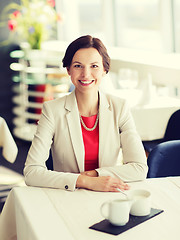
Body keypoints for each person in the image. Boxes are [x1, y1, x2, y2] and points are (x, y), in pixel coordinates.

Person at [24, 35, 148, 192]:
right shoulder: (52, 110)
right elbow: (31, 172)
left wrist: (96, 175)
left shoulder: (120, 107)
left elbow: (139, 168)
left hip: (108, 194)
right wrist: (84, 181)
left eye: (94, 66)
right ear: (68, 70)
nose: (86, 74)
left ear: (104, 70)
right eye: (78, 66)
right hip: (67, 195)